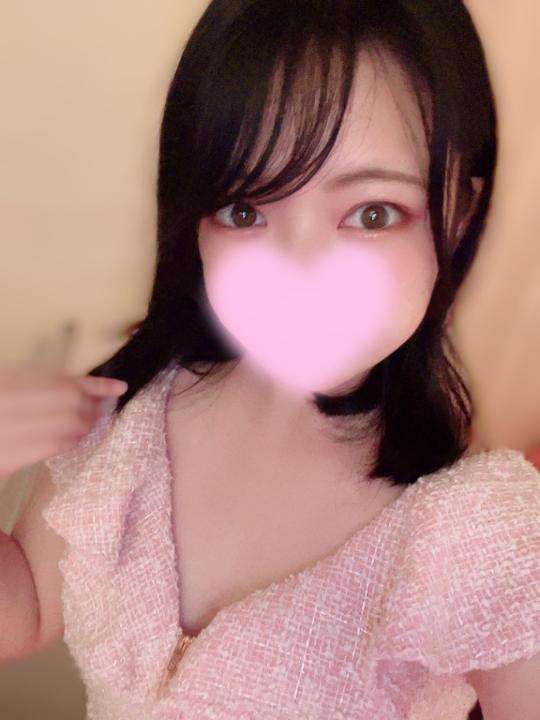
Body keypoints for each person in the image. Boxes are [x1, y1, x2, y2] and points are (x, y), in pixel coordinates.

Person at [1, 1, 538, 719]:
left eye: (372, 213)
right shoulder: (127, 414)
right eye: (246, 210)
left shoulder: (489, 534)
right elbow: (27, 613)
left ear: (458, 214)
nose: (299, 271)